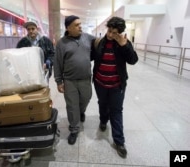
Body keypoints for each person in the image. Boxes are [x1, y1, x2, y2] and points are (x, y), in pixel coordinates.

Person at [91, 16, 138, 158]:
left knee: (116, 111)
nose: (111, 35)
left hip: (117, 85)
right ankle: (103, 120)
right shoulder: (99, 42)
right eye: (109, 31)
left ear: (120, 32)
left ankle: (119, 141)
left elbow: (133, 60)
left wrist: (124, 46)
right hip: (100, 83)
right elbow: (90, 56)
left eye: (114, 33)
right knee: (102, 104)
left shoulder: (124, 43)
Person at [54, 15, 96, 145]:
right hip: (69, 80)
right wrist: (59, 81)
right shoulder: (62, 43)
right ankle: (74, 129)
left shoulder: (88, 37)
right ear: (68, 28)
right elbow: (57, 63)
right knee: (72, 106)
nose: (80, 27)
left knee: (86, 98)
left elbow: (100, 43)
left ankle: (81, 111)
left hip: (85, 79)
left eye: (80, 24)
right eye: (77, 25)